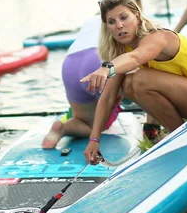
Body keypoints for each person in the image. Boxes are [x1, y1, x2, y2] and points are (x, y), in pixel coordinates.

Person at [81, 0, 187, 164]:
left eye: (124, 17)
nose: (119, 26)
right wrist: (94, 140)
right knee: (128, 84)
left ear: (136, 15)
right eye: (112, 22)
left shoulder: (157, 37)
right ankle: (180, 137)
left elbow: (136, 58)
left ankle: (182, 140)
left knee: (140, 79)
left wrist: (106, 68)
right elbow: (107, 98)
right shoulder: (121, 51)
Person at [43, 15, 126, 148]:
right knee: (137, 86)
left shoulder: (92, 19)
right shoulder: (127, 16)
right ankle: (153, 130)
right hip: (100, 58)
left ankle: (62, 128)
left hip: (70, 64)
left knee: (85, 122)